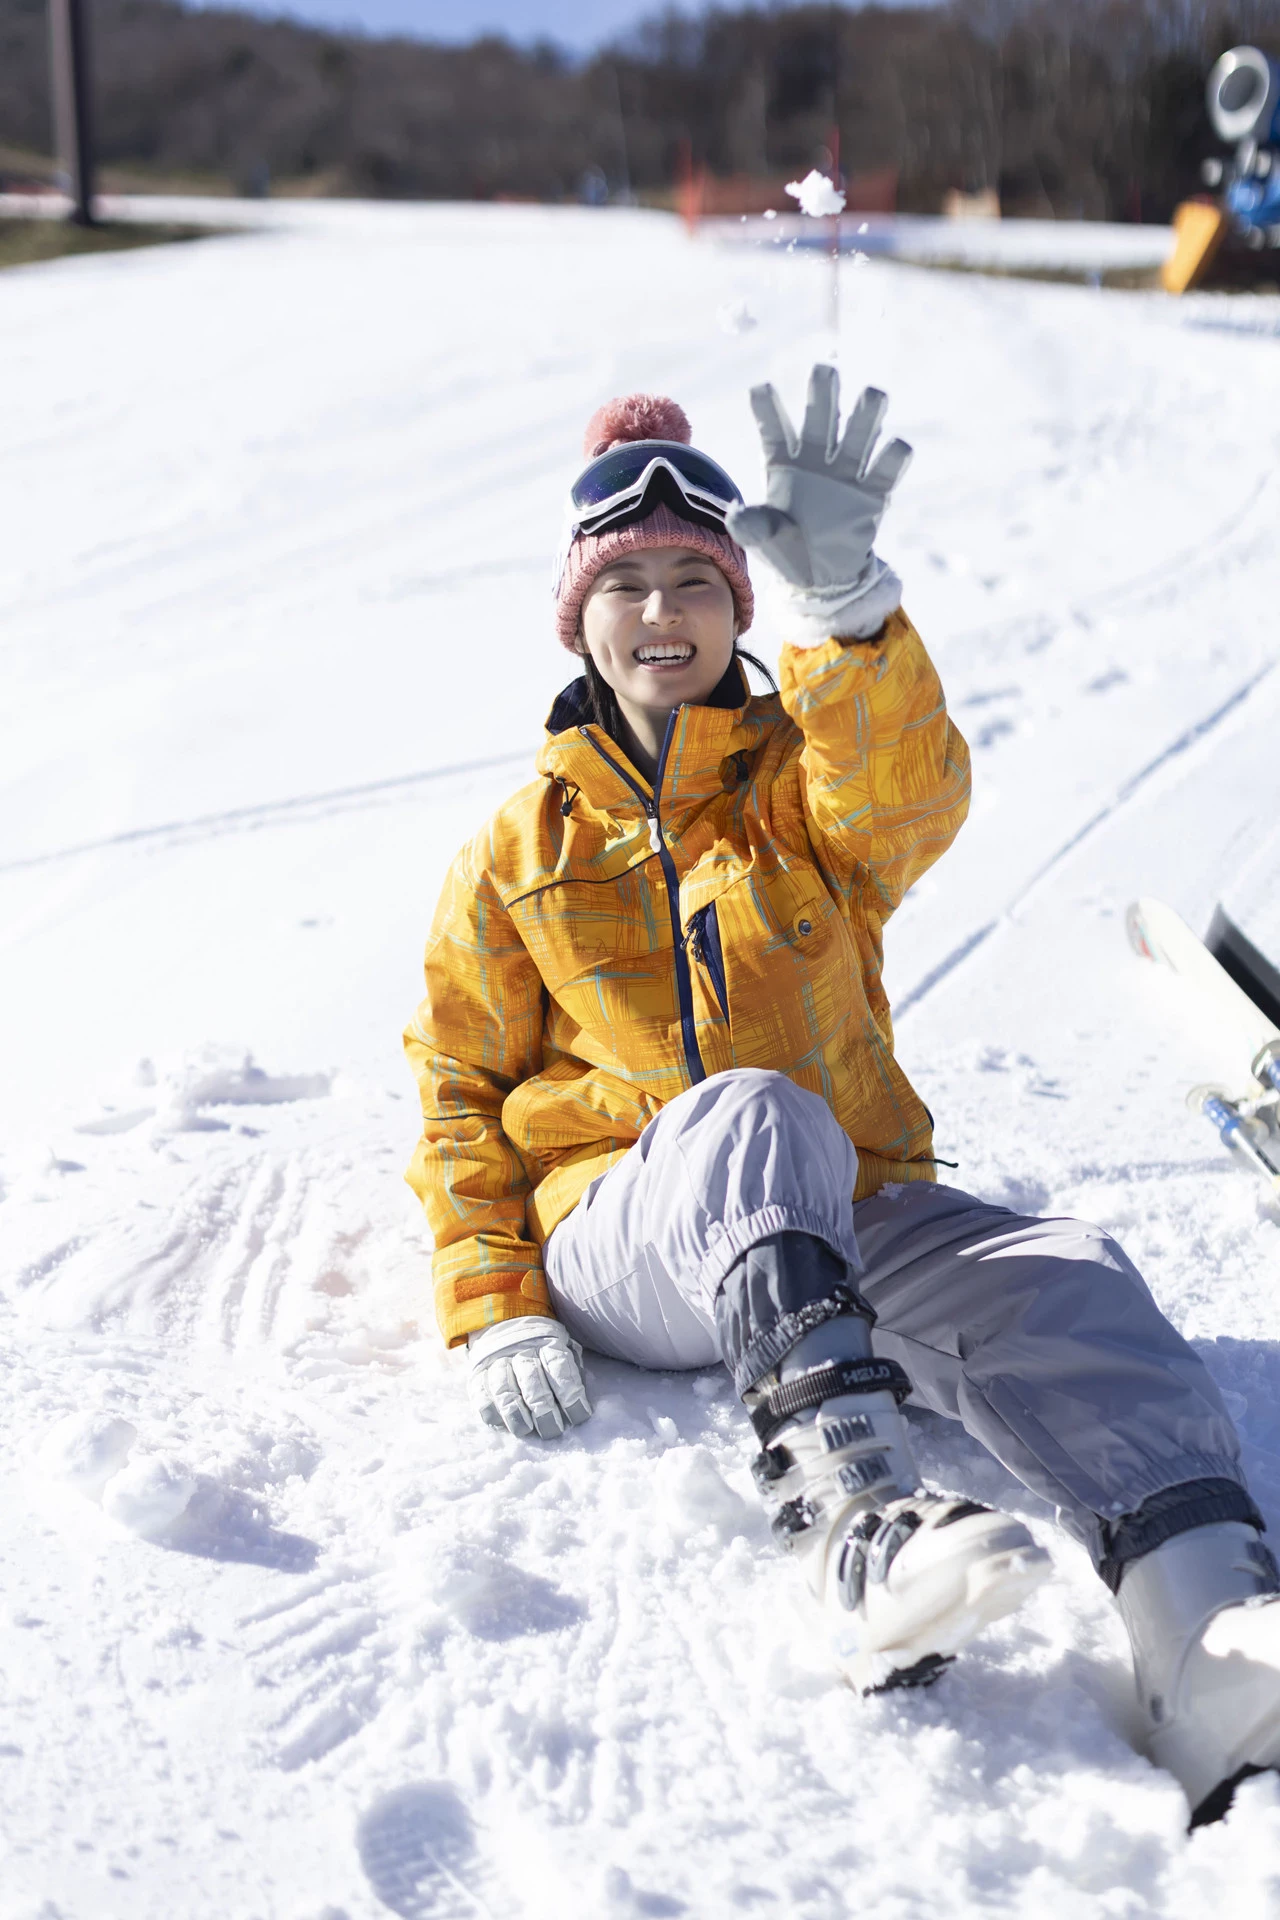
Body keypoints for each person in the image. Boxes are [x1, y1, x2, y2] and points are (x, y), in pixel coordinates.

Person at [405, 365, 1280, 1826]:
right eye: (629, 586)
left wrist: (851, 609)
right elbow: (456, 1084)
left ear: (744, 611)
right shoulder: (519, 848)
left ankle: (1207, 1627)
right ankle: (855, 1528)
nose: (665, 611)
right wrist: (491, 1299)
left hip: (843, 1213)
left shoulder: (797, 796)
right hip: (638, 1234)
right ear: (581, 618)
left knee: (1063, 1277)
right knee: (751, 1116)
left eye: (700, 579)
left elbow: (908, 795)